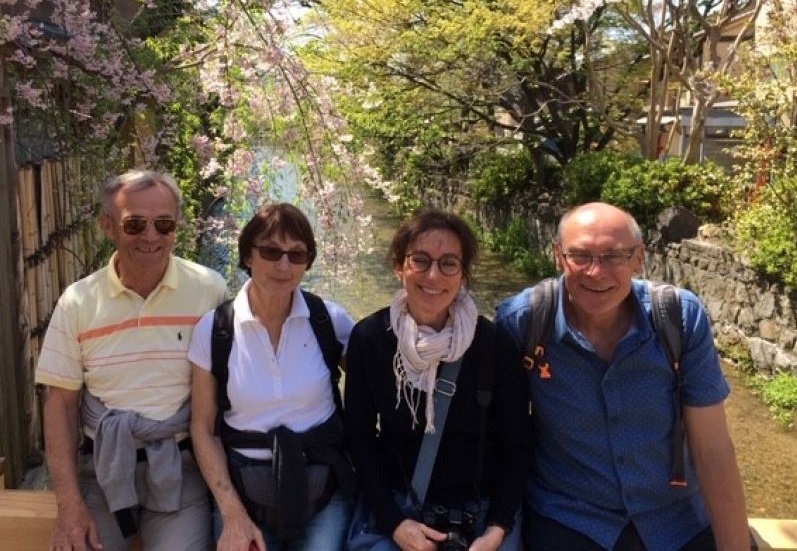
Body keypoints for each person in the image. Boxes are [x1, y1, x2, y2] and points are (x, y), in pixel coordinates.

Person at [495, 202, 752, 551]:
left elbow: (713, 449)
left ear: (638, 258)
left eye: (615, 255)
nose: (597, 272)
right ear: (559, 257)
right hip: (571, 517)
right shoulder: (523, 322)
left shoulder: (679, 319)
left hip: (676, 517)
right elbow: (499, 436)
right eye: (580, 256)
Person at [34, 169, 228, 551]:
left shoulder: (209, 290)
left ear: (177, 227)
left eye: (164, 224)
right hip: (101, 469)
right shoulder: (77, 302)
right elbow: (61, 406)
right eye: (135, 224)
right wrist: (69, 506)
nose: (151, 237)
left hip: (180, 467)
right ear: (109, 226)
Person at [345, 209, 527, 551]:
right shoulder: (370, 339)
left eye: (448, 263)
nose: (433, 275)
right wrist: (394, 523)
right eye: (421, 260)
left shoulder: (492, 344)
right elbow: (361, 440)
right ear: (399, 267)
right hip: (399, 508)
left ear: (463, 274)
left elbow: (516, 446)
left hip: (483, 513)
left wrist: (496, 529)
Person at [188, 202, 356, 551]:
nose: (283, 265)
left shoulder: (329, 321)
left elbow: (384, 381)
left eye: (296, 255)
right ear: (248, 255)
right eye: (270, 251)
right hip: (244, 491)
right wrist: (232, 514)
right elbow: (203, 429)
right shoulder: (215, 330)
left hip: (322, 487)